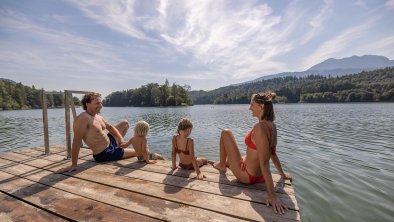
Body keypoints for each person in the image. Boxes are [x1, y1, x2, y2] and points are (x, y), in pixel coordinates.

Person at [213, 92, 291, 214]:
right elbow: (273, 153)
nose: (249, 108)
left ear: (261, 106)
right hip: (259, 176)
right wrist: (282, 174)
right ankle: (225, 163)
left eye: (252, 104)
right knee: (242, 157)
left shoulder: (259, 128)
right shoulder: (272, 126)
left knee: (225, 132)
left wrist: (272, 195)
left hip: (247, 176)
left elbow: (265, 162)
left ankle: (222, 165)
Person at [56, 92, 137, 173]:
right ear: (87, 104)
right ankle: (119, 151)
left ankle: (119, 147)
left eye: (101, 103)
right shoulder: (83, 119)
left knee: (125, 123)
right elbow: (76, 142)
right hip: (104, 153)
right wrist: (74, 164)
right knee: (140, 151)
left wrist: (121, 140)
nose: (101, 105)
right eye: (97, 103)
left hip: (110, 143)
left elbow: (111, 127)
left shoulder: (98, 116)